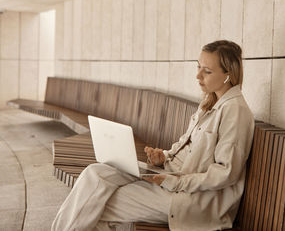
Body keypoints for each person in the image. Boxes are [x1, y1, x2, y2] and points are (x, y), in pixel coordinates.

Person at [51, 40, 255, 231]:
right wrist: (164, 157)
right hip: (170, 176)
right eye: (198, 66)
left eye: (207, 71)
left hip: (192, 197)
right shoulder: (209, 102)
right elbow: (188, 145)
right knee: (94, 173)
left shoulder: (235, 111)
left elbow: (226, 173)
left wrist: (173, 182)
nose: (198, 76)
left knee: (95, 204)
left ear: (228, 75)